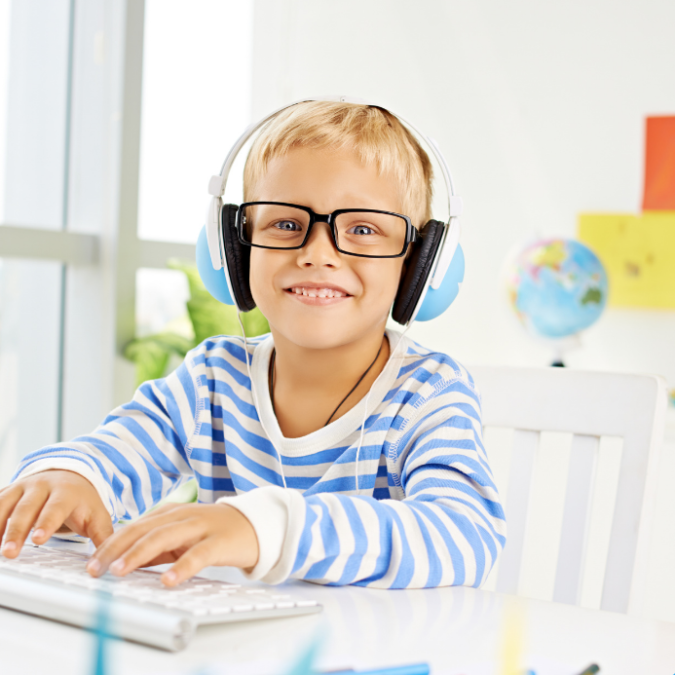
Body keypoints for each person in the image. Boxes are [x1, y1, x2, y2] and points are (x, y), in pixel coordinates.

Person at [0, 101, 506, 589]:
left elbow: (465, 536)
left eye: (364, 229)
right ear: (232, 251)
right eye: (286, 223)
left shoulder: (429, 393)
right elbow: (118, 450)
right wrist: (70, 476)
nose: (317, 253)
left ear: (421, 266)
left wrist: (265, 527)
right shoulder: (213, 379)